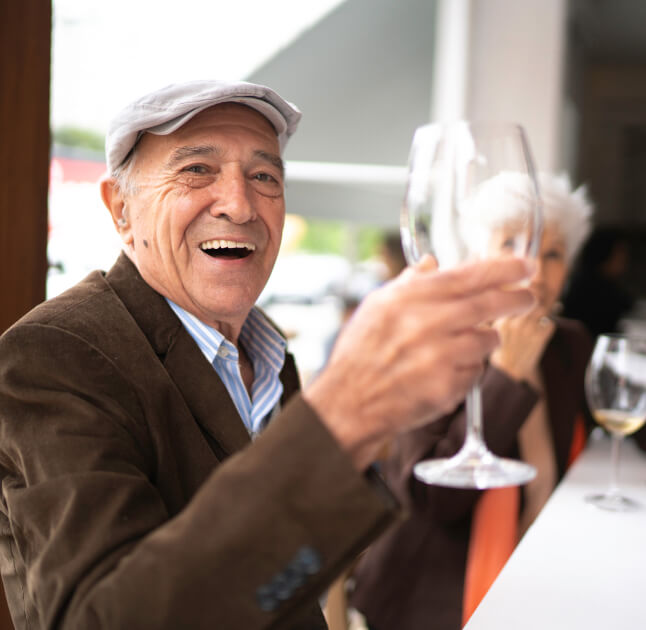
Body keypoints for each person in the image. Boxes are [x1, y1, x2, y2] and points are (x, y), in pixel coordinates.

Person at [0, 80, 535, 630]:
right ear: (121, 210)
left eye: (264, 176)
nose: (239, 204)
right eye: (196, 170)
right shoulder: (52, 357)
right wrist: (342, 414)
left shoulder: (268, 352)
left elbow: (282, 577)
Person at [349, 172, 595, 630]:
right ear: (478, 255)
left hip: (544, 575)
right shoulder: (436, 343)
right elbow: (433, 501)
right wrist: (507, 375)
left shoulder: (570, 344)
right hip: (430, 598)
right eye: (511, 245)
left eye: (553, 253)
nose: (534, 270)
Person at [561, 225, 635, 338]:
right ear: (604, 254)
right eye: (621, 254)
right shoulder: (592, 287)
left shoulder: (601, 282)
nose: (625, 260)